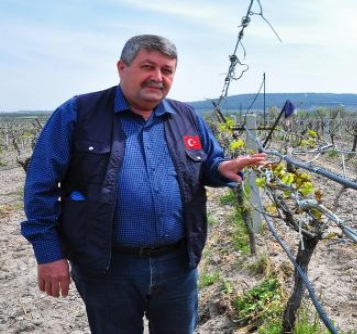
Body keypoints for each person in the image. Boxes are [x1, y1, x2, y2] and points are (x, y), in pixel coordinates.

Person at [21, 34, 267, 334]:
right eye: (147, 66)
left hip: (177, 265)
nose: (157, 77)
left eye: (167, 70)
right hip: (107, 268)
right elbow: (41, 185)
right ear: (122, 68)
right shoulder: (78, 113)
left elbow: (205, 166)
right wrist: (49, 252)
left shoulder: (186, 116)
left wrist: (220, 169)